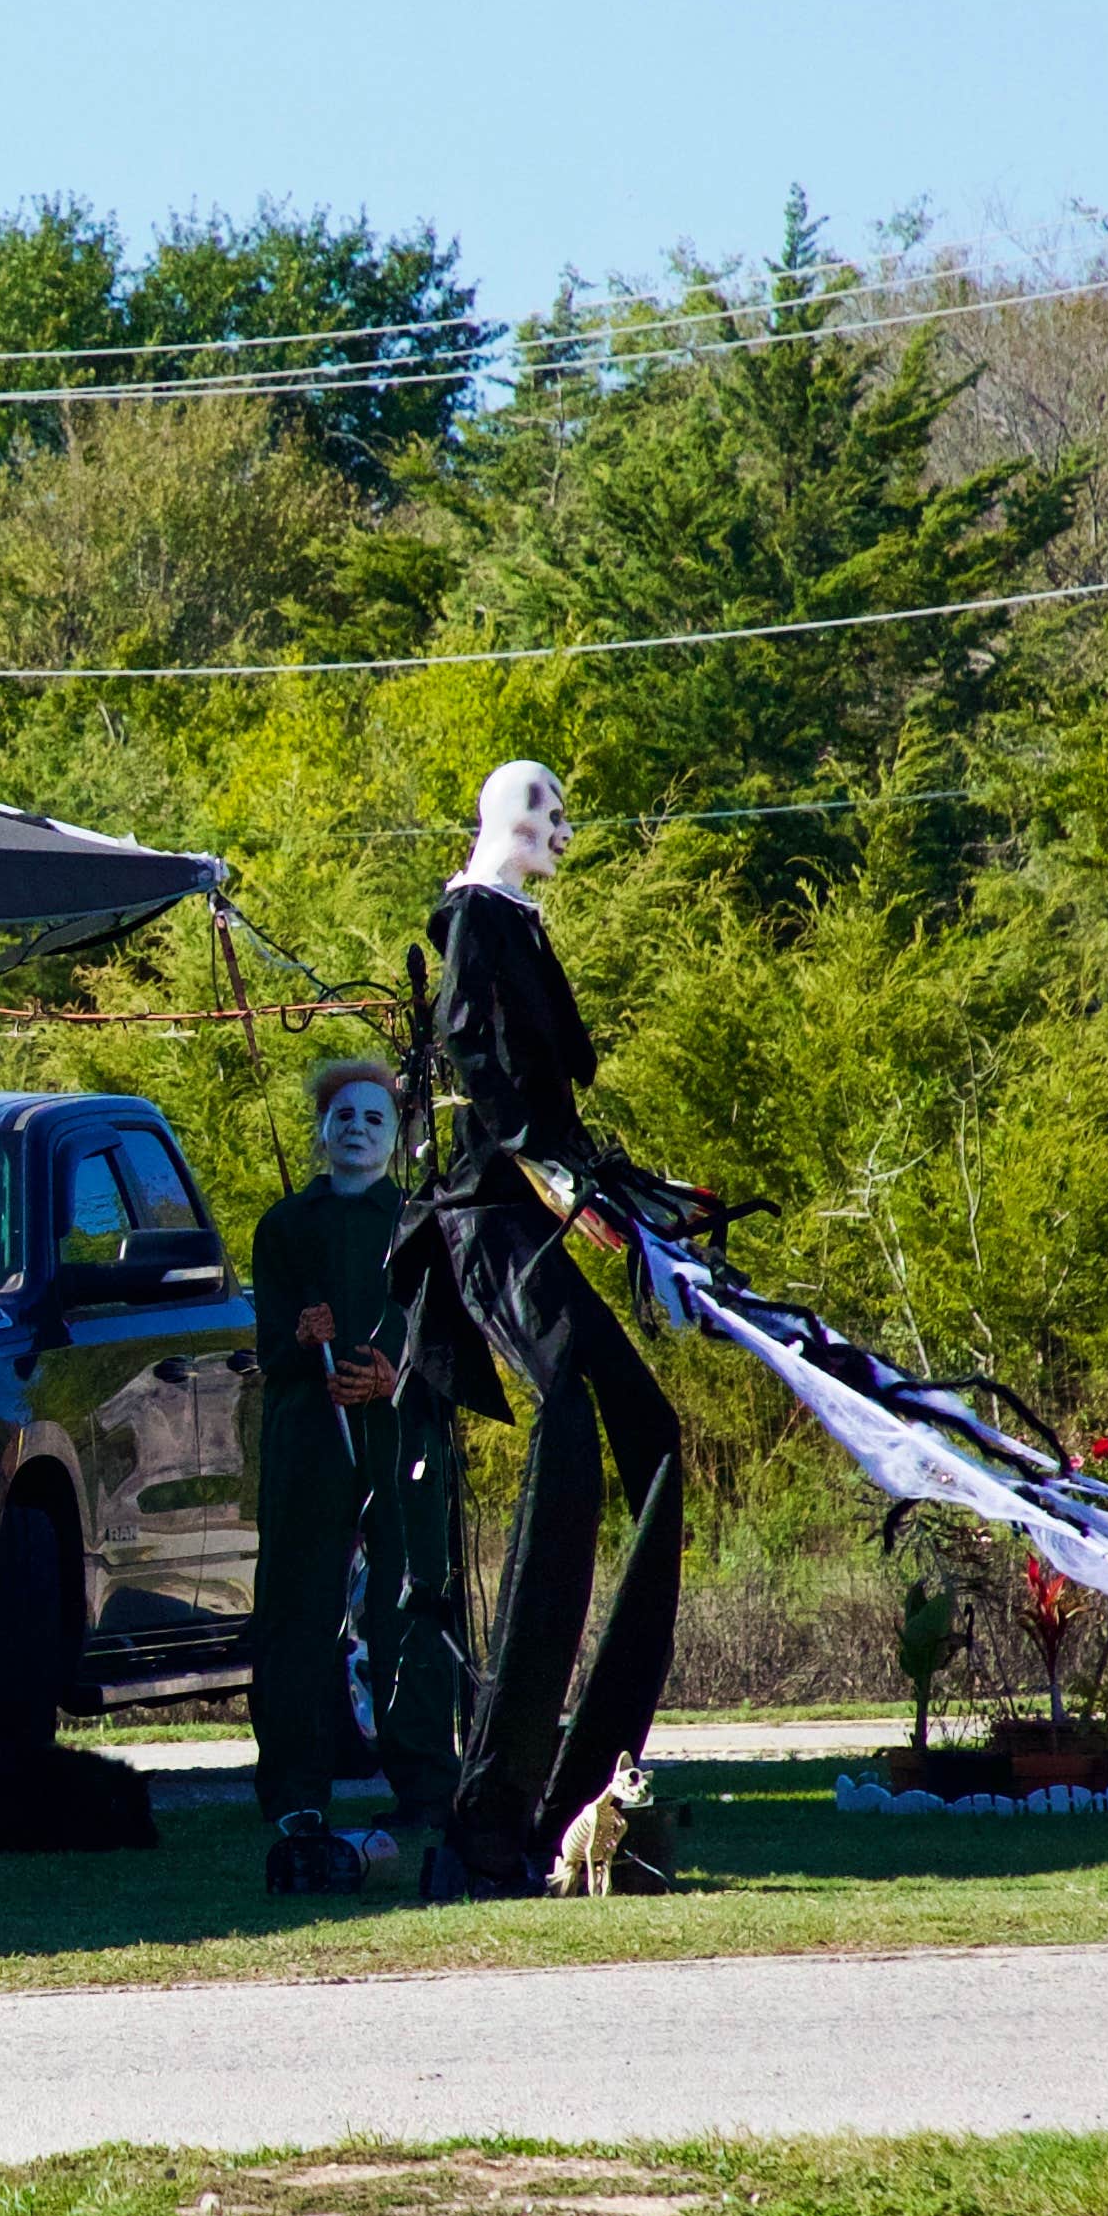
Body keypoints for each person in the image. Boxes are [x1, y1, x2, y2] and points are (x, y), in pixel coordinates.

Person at [402, 759, 698, 1896]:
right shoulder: (476, 926)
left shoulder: (518, 926)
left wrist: (614, 1189)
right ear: (501, 821)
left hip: (537, 1202)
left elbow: (552, 1092)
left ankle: (591, 1797)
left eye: (566, 811)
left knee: (649, 1424)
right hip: (484, 1217)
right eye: (544, 810)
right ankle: (490, 1820)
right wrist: (563, 1171)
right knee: (569, 1412)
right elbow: (488, 1074)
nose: (561, 829)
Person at [248, 1055, 461, 1878]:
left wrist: (392, 1372)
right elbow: (269, 1348)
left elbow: (445, 1331)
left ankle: (424, 1785)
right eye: (344, 1118)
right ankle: (295, 1790)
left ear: (397, 1135)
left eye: (375, 1119)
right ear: (322, 1130)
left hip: (400, 1439)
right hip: (308, 1443)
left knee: (409, 1607)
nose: (358, 1131)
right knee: (298, 1612)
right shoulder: (284, 1227)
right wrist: (304, 1344)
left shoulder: (423, 1221)